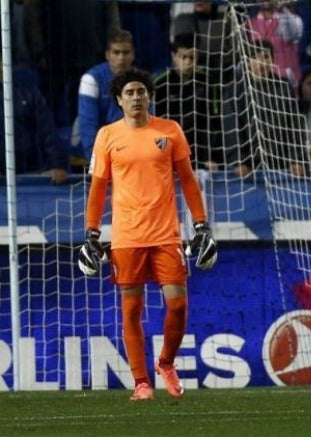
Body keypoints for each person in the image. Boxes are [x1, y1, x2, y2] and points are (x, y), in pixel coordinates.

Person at [77, 68, 217, 401]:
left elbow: (188, 180)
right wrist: (91, 233)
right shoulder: (107, 135)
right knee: (130, 310)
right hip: (126, 237)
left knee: (179, 304)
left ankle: (166, 363)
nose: (136, 97)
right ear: (118, 100)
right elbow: (98, 188)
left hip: (167, 234)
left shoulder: (169, 130)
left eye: (141, 91)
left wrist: (201, 224)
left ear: (149, 96)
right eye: (130, 92)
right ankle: (141, 383)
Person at [0, 47, 68, 184]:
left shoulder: (29, 92)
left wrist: (56, 164)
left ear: (2, 63)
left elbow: (47, 130)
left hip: (30, 171)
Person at [222, 40, 306, 178]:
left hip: (282, 166)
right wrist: (239, 161)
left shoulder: (283, 87)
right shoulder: (234, 90)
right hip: (248, 167)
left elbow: (294, 126)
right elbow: (231, 128)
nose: (262, 62)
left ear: (272, 61)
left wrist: (296, 158)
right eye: (256, 57)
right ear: (247, 61)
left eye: (266, 57)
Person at [154, 34, 222, 171]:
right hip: (168, 150)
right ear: (173, 56)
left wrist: (213, 156)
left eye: (192, 58)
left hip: (201, 151)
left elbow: (215, 120)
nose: (187, 62)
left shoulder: (207, 81)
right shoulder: (160, 83)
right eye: (183, 57)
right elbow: (155, 125)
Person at [77, 28, 135, 161]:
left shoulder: (142, 81)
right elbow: (88, 128)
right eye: (116, 52)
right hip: (99, 149)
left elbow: (146, 125)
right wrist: (97, 162)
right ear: (107, 54)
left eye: (126, 52)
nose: (121, 58)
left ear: (133, 55)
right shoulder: (90, 80)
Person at [246, 0, 304, 85]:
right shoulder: (249, 24)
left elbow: (292, 35)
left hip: (287, 82)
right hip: (261, 80)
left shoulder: (294, 19)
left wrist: (282, 9)